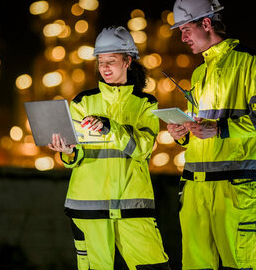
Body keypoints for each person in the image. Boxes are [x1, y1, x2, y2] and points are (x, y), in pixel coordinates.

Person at [167, 0, 256, 270]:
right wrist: (182, 134)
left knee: (237, 265)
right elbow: (200, 127)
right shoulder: (198, 73)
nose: (183, 38)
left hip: (235, 187)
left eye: (186, 29)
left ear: (206, 23)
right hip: (195, 187)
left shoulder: (252, 63)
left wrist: (219, 129)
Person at [48, 25, 170, 270]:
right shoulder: (83, 102)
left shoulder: (146, 104)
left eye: (111, 61)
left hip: (132, 207)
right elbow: (75, 156)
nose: (104, 67)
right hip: (88, 206)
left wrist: (110, 128)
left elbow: (143, 148)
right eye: (101, 61)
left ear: (128, 61)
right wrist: (67, 151)